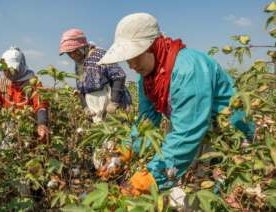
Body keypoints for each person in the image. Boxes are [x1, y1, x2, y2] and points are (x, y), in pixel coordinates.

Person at [98, 13, 255, 196]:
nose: (131, 65)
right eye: (127, 58)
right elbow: (146, 122)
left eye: (135, 56)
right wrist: (123, 153)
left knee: (228, 192)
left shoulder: (187, 69)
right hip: (203, 135)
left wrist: (147, 180)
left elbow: (187, 133)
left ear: (153, 46)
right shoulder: (147, 80)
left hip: (231, 136)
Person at [0, 47, 49, 143]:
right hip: (7, 127)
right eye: (5, 70)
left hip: (28, 128)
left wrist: (42, 124)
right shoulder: (2, 82)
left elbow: (41, 106)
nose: (7, 73)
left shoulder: (33, 82)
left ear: (21, 67)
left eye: (10, 69)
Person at [59, 29, 132, 123]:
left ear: (83, 47)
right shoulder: (79, 63)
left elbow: (119, 76)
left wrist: (114, 103)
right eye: (69, 53)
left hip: (113, 105)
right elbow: (81, 89)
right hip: (96, 110)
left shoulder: (100, 55)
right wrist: (85, 107)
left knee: (117, 132)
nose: (72, 55)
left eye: (74, 51)